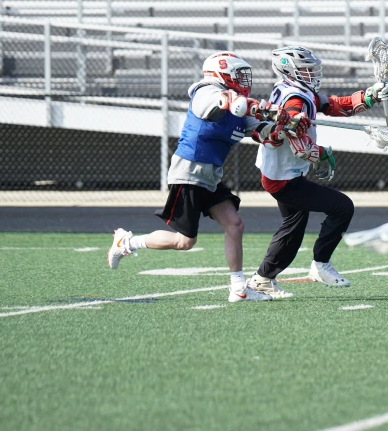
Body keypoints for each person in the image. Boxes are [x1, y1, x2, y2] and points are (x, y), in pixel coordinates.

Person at [106, 51, 276, 303]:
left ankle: (238, 289)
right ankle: (127, 242)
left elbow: (263, 130)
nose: (243, 80)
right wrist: (240, 103)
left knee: (234, 225)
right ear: (222, 73)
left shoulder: (237, 103)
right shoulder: (206, 91)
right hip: (189, 172)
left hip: (210, 176)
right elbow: (212, 106)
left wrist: (284, 123)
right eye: (238, 74)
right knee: (185, 242)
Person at [245, 46, 388, 298]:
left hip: (281, 172)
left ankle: (262, 280)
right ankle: (320, 264)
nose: (312, 73)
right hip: (283, 178)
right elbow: (297, 143)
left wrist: (370, 96)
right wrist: (323, 153)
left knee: (293, 228)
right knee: (342, 207)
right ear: (289, 70)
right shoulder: (296, 99)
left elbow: (335, 105)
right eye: (305, 69)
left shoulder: (298, 91)